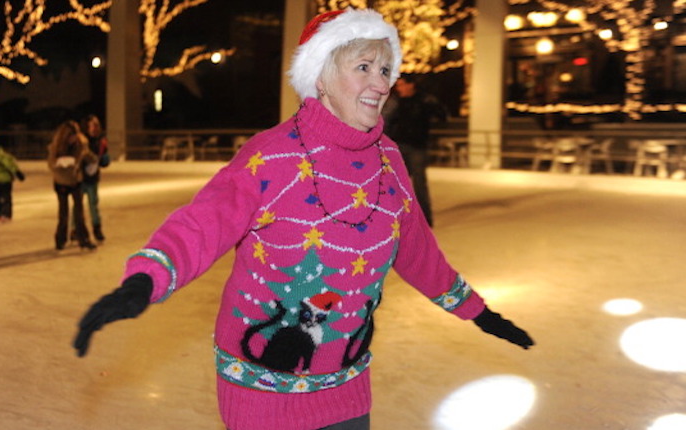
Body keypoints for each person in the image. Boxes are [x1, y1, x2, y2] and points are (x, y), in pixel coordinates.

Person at [73, 8, 533, 430]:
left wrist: (477, 311)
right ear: (321, 78)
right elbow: (202, 222)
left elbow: (416, 252)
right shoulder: (271, 156)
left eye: (386, 69)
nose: (381, 82)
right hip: (262, 391)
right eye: (363, 67)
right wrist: (144, 281)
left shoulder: (390, 161)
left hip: (347, 386)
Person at [383, 74, 447, 227]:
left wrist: (433, 106)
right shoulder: (394, 102)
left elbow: (442, 116)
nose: (399, 89)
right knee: (394, 183)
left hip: (417, 146)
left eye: (402, 85)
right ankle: (395, 217)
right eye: (398, 86)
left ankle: (425, 218)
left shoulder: (424, 100)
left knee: (419, 183)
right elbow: (384, 122)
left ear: (411, 85)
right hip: (397, 147)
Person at [47, 120, 98, 251]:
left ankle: (84, 239)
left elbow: (88, 155)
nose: (73, 139)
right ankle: (60, 239)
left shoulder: (80, 145)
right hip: (61, 182)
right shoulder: (56, 147)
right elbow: (51, 164)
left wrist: (94, 161)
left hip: (76, 181)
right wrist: (61, 163)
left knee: (79, 213)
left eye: (75, 136)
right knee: (63, 213)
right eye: (71, 137)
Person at [79, 114, 110, 242]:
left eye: (96, 125)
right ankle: (75, 229)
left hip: (93, 178)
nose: (94, 128)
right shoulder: (82, 141)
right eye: (92, 125)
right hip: (80, 178)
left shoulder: (101, 141)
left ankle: (97, 228)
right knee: (77, 206)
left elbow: (104, 158)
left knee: (93, 204)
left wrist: (104, 160)